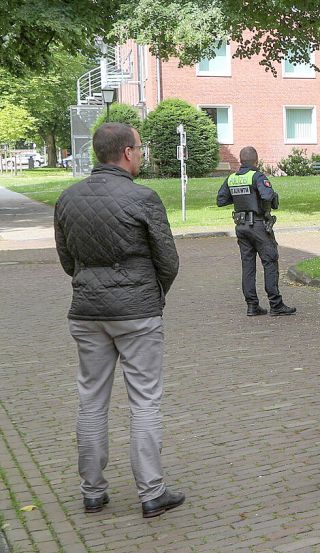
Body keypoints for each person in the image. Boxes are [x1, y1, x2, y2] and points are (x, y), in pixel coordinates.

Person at [53, 123, 185, 518]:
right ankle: (151, 491)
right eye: (140, 148)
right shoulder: (142, 198)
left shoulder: (67, 198)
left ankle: (92, 490)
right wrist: (151, 292)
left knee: (91, 399)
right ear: (127, 152)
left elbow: (66, 259)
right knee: (144, 400)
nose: (142, 154)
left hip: (88, 311)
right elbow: (168, 260)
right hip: (137, 313)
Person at [217, 147, 296, 317]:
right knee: (270, 261)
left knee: (248, 265)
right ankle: (276, 305)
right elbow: (267, 196)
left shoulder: (231, 178)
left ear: (240, 160)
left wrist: (241, 200)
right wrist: (266, 208)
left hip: (241, 226)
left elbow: (221, 200)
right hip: (258, 225)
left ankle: (252, 305)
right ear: (256, 160)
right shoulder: (257, 176)